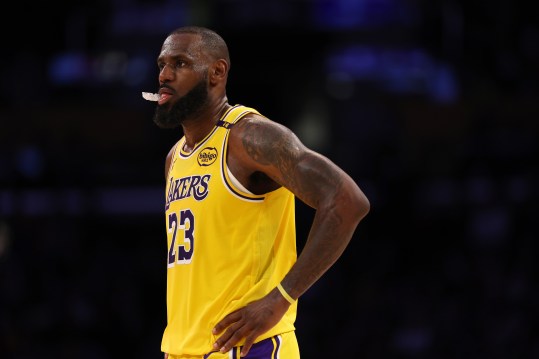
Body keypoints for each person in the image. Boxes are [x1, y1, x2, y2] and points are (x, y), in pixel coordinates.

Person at [149, 26, 370, 359]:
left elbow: (347, 201)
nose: (165, 75)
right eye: (161, 65)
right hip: (183, 350)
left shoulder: (248, 137)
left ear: (216, 72)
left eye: (179, 64)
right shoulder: (174, 158)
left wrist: (280, 298)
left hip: (250, 348)